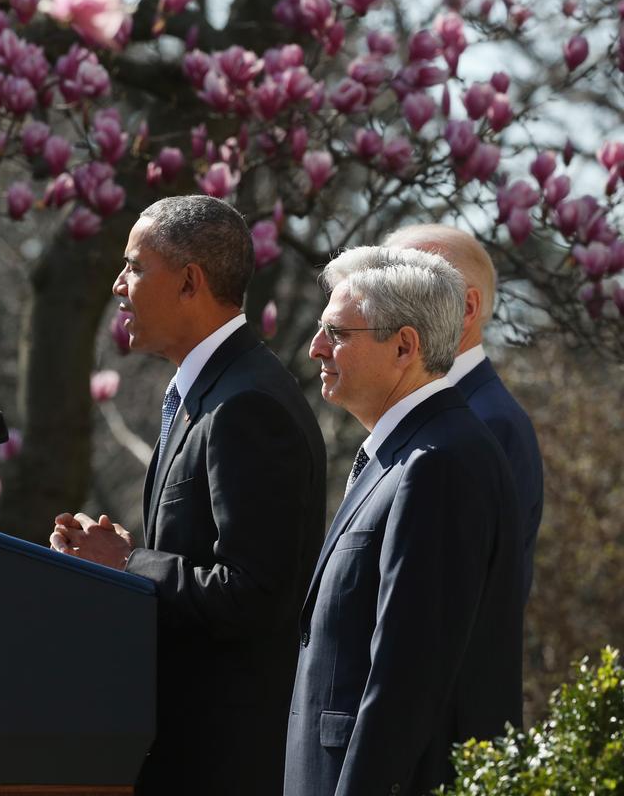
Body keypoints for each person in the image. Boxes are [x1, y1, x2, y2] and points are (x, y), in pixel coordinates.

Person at [50, 195, 327, 795]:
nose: (120, 285)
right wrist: (119, 561)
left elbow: (253, 593)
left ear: (190, 282)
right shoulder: (211, 391)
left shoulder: (247, 405)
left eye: (135, 266)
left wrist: (128, 563)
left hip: (222, 764)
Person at [284, 247, 523, 796]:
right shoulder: (410, 452)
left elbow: (406, 677)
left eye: (337, 333)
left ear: (404, 345)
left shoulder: (439, 462)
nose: (315, 347)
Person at [385, 225, 544, 599]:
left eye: (405, 290)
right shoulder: (424, 404)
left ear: (467, 308)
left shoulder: (491, 422)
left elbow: (464, 596)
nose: (381, 309)